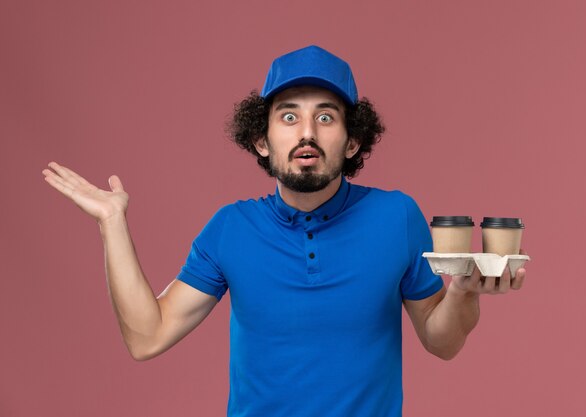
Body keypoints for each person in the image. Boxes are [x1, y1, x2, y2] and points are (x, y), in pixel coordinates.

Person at [42, 45, 527, 417]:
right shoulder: (230, 229)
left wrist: (464, 292)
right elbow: (146, 338)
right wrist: (112, 224)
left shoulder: (397, 217)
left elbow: (441, 343)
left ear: (353, 141)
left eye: (326, 117)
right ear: (262, 140)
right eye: (289, 116)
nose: (307, 132)